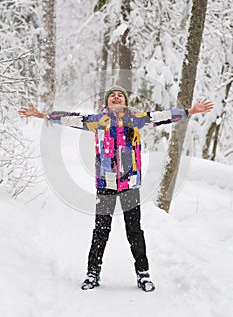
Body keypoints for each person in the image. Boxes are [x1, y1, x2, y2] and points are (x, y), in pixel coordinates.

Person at [18, 86, 214, 292]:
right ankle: (93, 273)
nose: (116, 97)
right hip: (105, 184)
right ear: (107, 102)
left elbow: (161, 116)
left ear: (125, 101)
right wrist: (43, 115)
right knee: (101, 231)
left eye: (120, 95)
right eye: (112, 95)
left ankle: (143, 274)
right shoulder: (97, 120)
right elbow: (71, 119)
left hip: (129, 184)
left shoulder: (135, 118)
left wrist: (189, 112)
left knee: (134, 231)